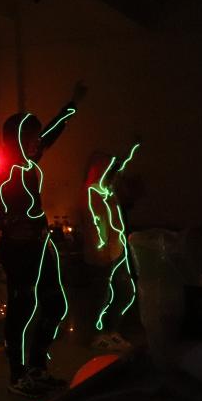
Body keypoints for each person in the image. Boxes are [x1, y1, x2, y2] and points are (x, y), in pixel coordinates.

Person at [0, 81, 88, 398]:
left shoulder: (29, 162)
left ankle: (37, 368)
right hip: (19, 249)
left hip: (40, 244)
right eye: (30, 137)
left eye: (36, 137)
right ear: (17, 139)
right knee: (22, 309)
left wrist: (71, 105)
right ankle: (18, 375)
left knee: (54, 304)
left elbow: (51, 134)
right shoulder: (5, 169)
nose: (36, 142)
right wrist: (8, 223)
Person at [86, 142, 141, 351]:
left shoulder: (109, 192)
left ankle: (112, 330)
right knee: (101, 297)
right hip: (103, 256)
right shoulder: (91, 193)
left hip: (118, 252)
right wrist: (100, 248)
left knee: (126, 292)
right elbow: (92, 225)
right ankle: (97, 335)